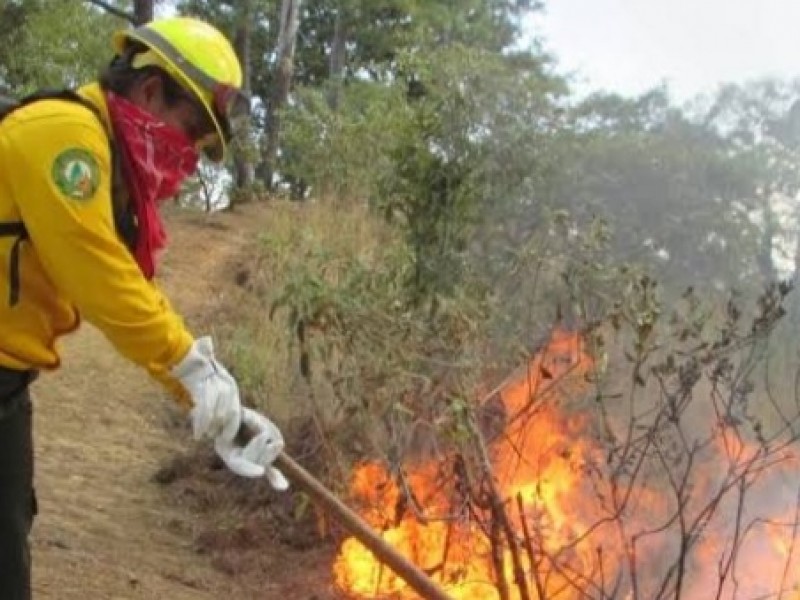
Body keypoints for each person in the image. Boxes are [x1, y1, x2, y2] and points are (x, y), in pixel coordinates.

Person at [0, 16, 287, 599]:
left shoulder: (106, 160)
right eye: (189, 130)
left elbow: (132, 289)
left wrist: (215, 403)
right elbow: (98, 273)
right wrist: (191, 366)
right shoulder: (65, 135)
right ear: (151, 91)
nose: (188, 155)